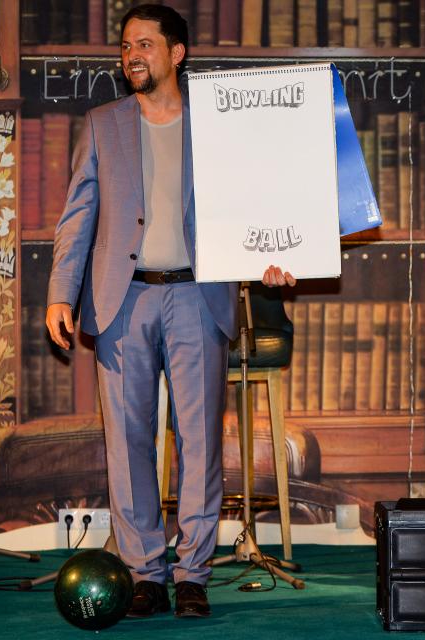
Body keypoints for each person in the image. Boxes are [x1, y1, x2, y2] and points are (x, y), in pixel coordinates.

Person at [45, 4, 294, 619]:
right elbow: (77, 218)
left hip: (196, 296)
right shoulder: (102, 124)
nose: (132, 55)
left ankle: (192, 576)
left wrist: (277, 254)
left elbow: (255, 206)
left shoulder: (220, 124)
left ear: (177, 53)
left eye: (145, 45)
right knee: (127, 443)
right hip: (121, 300)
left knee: (199, 442)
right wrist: (60, 293)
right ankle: (144, 574)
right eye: (126, 46)